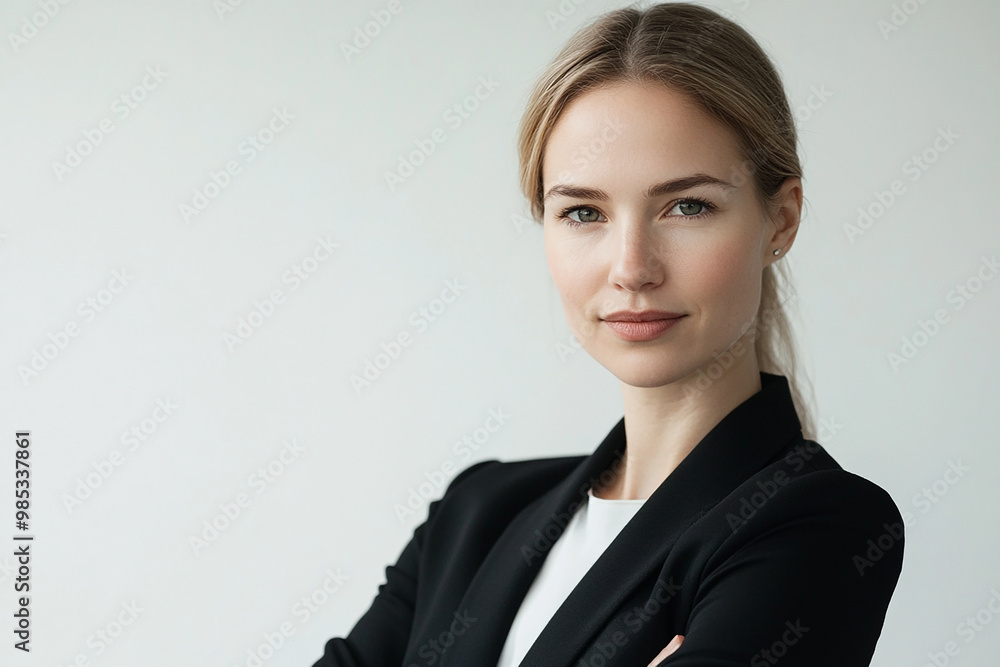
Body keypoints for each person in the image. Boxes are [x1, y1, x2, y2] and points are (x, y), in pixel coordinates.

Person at [312, 3, 904, 665]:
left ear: (782, 220)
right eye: (583, 212)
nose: (631, 268)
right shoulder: (474, 514)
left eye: (687, 206)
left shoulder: (821, 526)